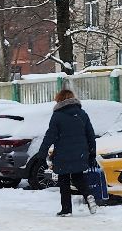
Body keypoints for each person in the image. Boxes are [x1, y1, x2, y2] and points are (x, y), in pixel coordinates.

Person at [30, 88, 100, 216]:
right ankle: (88, 195)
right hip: (80, 152)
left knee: (64, 181)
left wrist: (42, 153)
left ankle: (66, 210)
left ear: (60, 100)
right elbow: (90, 135)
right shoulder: (82, 114)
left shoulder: (57, 116)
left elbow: (50, 136)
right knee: (78, 177)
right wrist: (92, 152)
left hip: (63, 154)